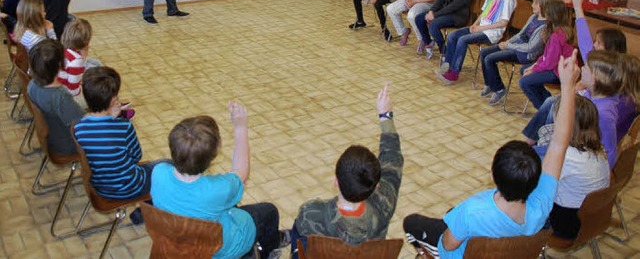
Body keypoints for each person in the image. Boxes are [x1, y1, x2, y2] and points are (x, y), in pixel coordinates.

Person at [404, 50, 580, 258]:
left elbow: (448, 245)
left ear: (493, 174)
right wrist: (568, 87)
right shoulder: (542, 202)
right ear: (535, 179)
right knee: (452, 215)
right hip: (514, 250)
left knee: (411, 222)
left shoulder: (472, 211)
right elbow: (560, 142)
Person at [152, 105, 289, 259]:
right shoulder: (217, 190)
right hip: (221, 250)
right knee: (269, 211)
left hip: (176, 241)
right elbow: (241, 173)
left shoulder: (158, 172)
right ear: (212, 158)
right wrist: (241, 129)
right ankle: (266, 249)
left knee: (231, 205)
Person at [291, 84, 403, 258]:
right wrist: (385, 115)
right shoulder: (385, 202)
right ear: (377, 185)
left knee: (297, 234)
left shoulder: (311, 213)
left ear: (335, 181)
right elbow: (392, 158)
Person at [523, 50, 622, 170]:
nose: (582, 68)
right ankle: (532, 145)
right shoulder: (594, 94)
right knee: (527, 154)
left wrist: (607, 174)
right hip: (571, 143)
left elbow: (609, 150)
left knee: (524, 161)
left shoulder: (604, 113)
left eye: (586, 66)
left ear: (598, 77)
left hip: (575, 155)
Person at [74, 67, 160, 200]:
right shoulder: (124, 126)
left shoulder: (79, 126)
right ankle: (148, 212)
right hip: (129, 187)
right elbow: (136, 156)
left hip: (100, 186)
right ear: (112, 100)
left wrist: (111, 117)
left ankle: (144, 211)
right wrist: (117, 119)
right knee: (166, 167)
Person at [542, 95, 610, 240]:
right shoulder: (598, 148)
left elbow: (542, 187)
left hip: (566, 226)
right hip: (591, 219)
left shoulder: (567, 156)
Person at [435, 0, 516, 85]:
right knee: (453, 35)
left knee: (462, 40)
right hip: (481, 28)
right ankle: (448, 65)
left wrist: (480, 28)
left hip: (491, 33)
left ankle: (454, 73)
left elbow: (503, 22)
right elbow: (484, 13)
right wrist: (474, 24)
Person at [479, 0, 554, 106]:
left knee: (490, 58)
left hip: (524, 54)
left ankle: (499, 89)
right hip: (515, 47)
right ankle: (490, 83)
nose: (532, 5)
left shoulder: (545, 26)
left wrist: (508, 46)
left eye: (535, 3)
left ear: (542, 5)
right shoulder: (533, 17)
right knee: (484, 52)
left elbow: (530, 47)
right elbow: (520, 34)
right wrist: (507, 42)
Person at [27, 39, 85, 156]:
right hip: (66, 145)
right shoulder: (61, 97)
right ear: (60, 65)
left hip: (51, 137)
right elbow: (83, 124)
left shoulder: (32, 84)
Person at [518, 0, 575, 109]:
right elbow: (546, 55)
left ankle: (543, 110)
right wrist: (534, 65)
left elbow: (550, 63)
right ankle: (548, 102)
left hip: (559, 72)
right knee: (524, 70)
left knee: (524, 82)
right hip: (556, 67)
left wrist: (533, 69)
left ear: (551, 15)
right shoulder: (558, 30)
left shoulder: (557, 35)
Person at [58, 18, 101, 108]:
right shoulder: (76, 61)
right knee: (101, 94)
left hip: (60, 90)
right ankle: (113, 111)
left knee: (96, 64)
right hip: (67, 98)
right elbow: (73, 91)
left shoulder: (64, 49)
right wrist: (83, 58)